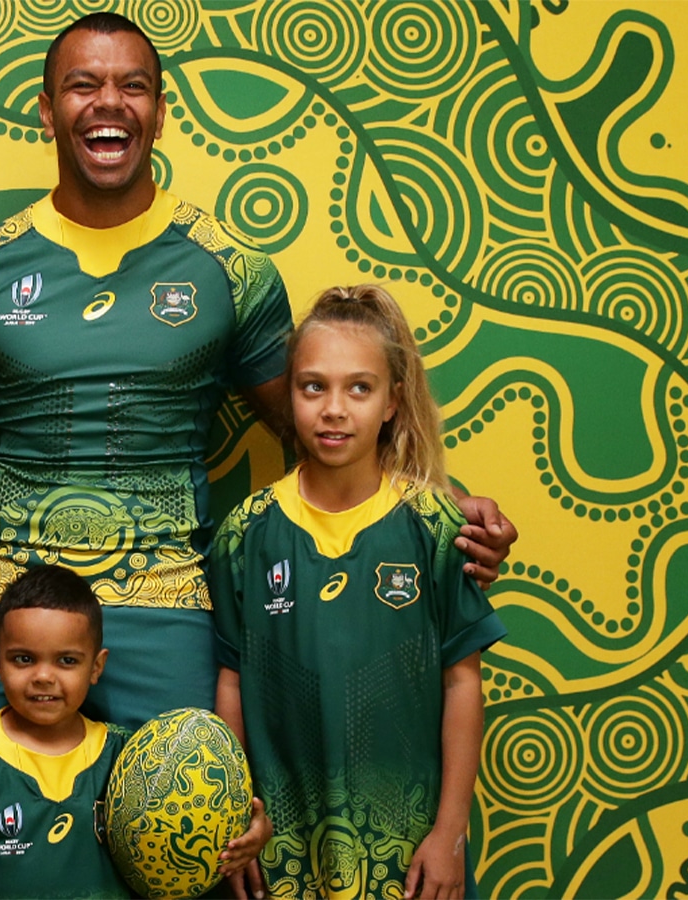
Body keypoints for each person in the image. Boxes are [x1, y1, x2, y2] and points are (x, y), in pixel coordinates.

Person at [0, 14, 516, 732]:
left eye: (133, 86)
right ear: (48, 110)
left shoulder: (232, 269)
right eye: (83, 85)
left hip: (173, 614)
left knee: (188, 855)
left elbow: (323, 431)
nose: (108, 103)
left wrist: (440, 506)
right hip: (15, 612)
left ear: (157, 110)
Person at [212, 285, 508, 900]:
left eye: (359, 388)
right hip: (285, 854)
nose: (334, 409)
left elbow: (463, 681)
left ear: (393, 401)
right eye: (313, 386)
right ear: (289, 393)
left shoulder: (434, 528)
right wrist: (238, 812)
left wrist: (451, 831)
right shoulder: (246, 533)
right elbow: (232, 683)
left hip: (408, 856)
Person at [0, 564, 267, 899]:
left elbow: (205, 821)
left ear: (96, 667)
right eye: (23, 659)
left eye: (67, 661)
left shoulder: (129, 757)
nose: (44, 676)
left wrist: (255, 832)